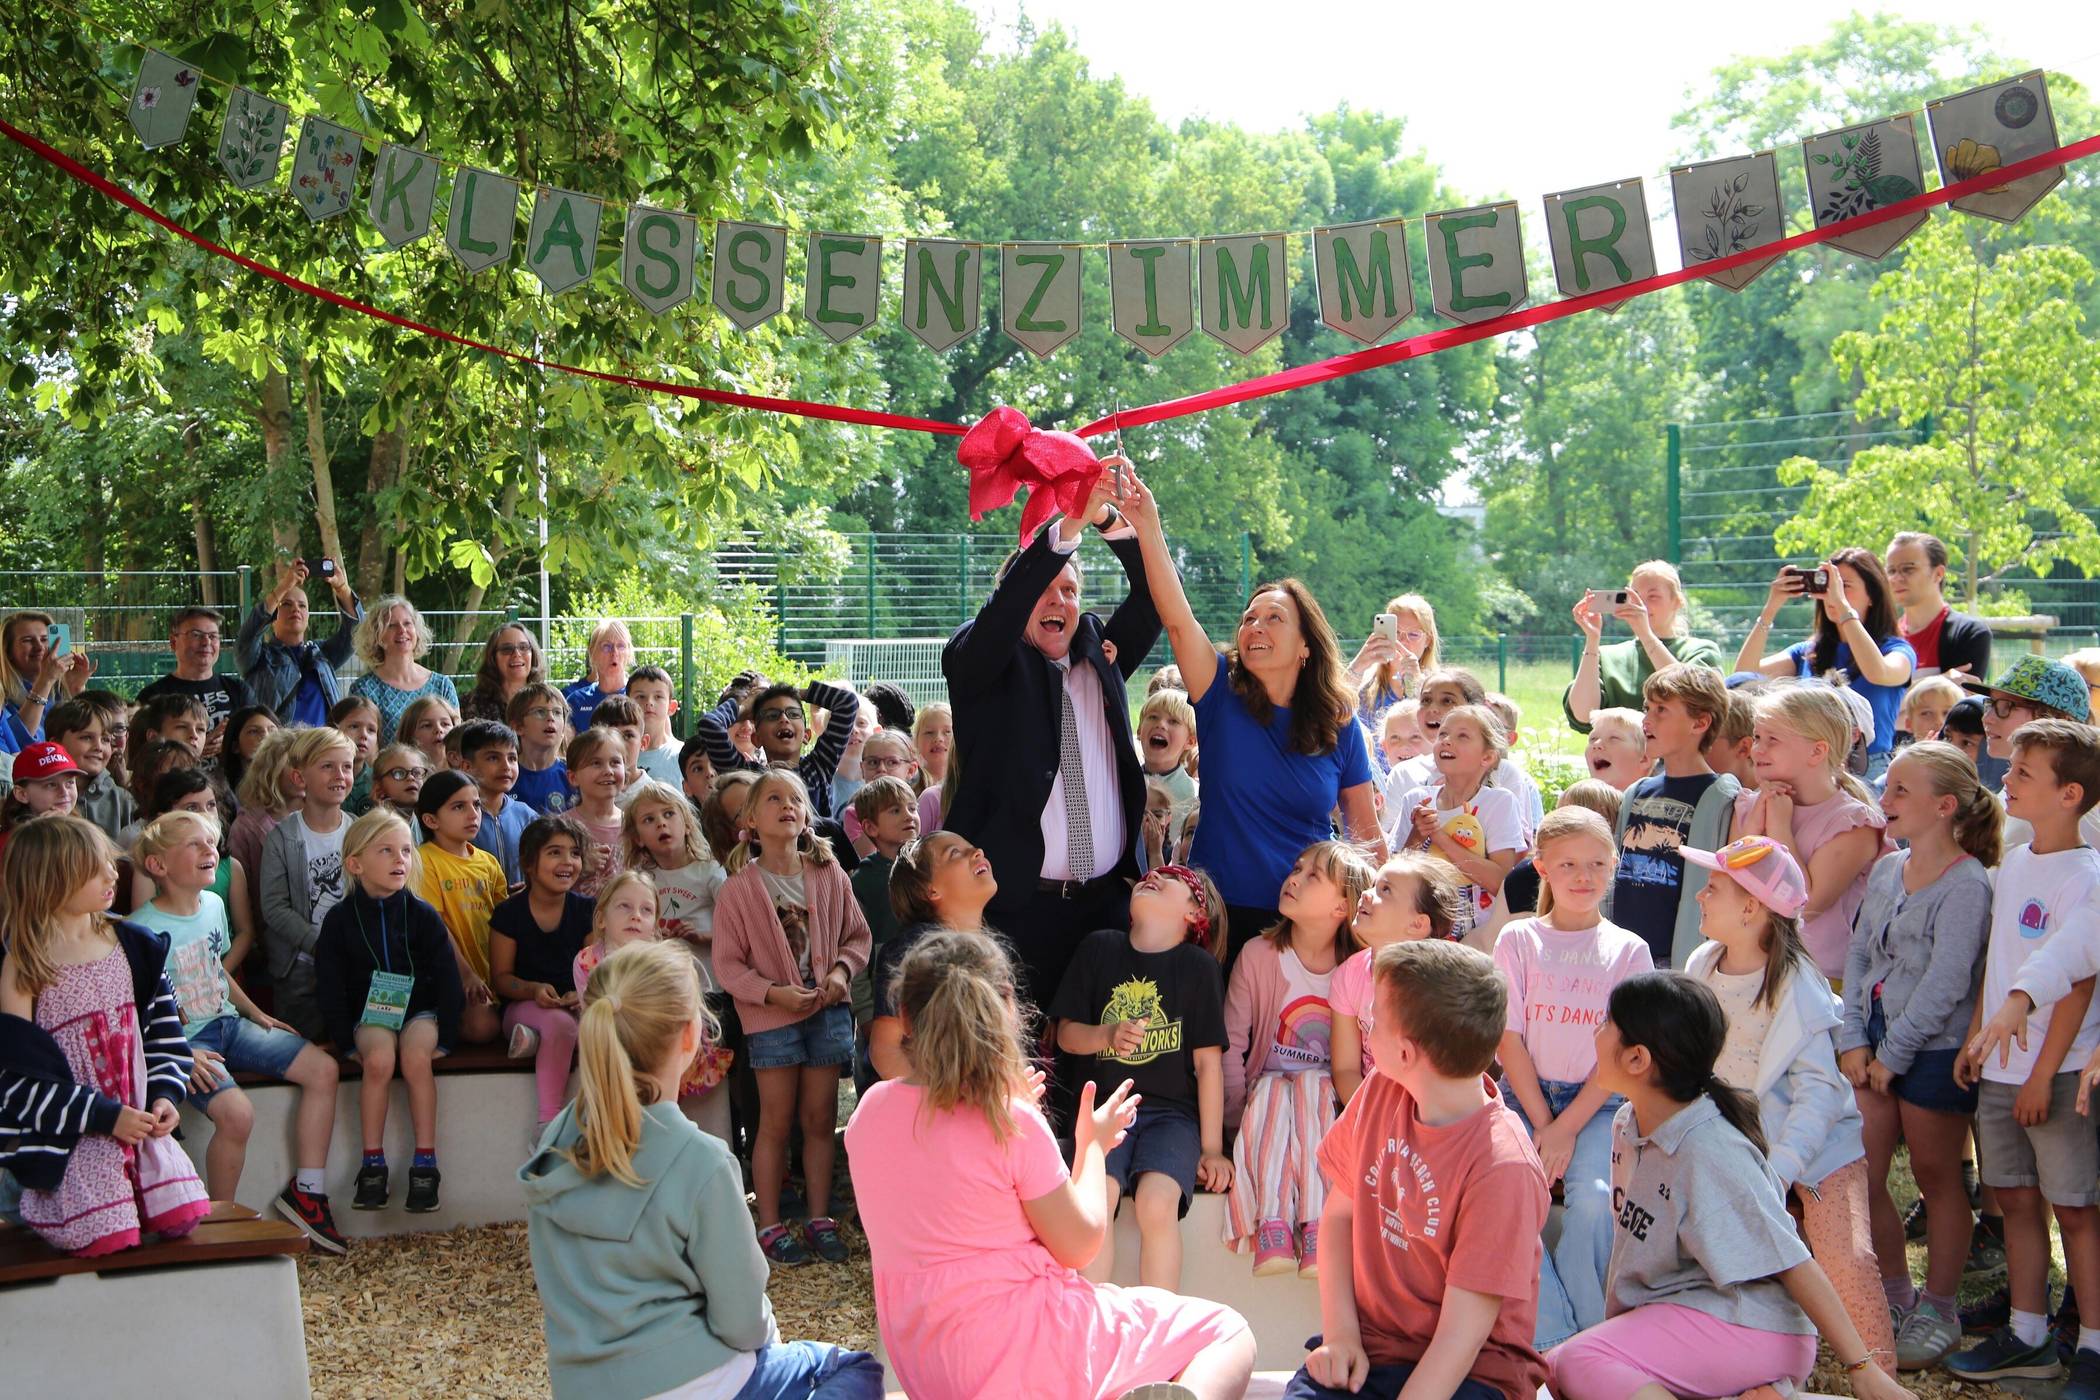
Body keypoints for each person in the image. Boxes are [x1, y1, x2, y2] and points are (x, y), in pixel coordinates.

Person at [846, 930, 1256, 1400]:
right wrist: (1092, 1146)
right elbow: (1079, 1246)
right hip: (1037, 1352)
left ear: (904, 1016)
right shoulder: (1009, 1121)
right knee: (1226, 1331)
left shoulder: (868, 1114)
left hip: (930, 1368)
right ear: (1007, 1011)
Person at [522, 940, 883, 1400]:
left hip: (581, 1386)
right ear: (691, 1037)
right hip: (694, 1382)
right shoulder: (700, 1160)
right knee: (854, 1370)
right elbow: (743, 1322)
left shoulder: (554, 1141)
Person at [1547, 973, 1916, 1400]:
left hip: (1753, 1327)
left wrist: (1862, 1367)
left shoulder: (1709, 1148)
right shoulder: (1628, 1125)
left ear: (1637, 1059)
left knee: (1576, 1362)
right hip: (1692, 1318)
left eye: (1607, 1023)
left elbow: (1791, 1260)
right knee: (1560, 1371)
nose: (1596, 1031)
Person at [1123, 477, 1382, 956]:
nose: (1255, 626)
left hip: (1304, 926)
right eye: (1249, 618)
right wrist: (1147, 526)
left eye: (1274, 618)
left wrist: (1385, 925)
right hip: (1218, 919)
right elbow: (1177, 619)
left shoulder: (1339, 725)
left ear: (1306, 646)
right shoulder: (1218, 692)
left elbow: (1366, 835)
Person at [942, 457, 1159, 1016]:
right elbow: (999, 620)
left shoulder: (1100, 656)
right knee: (1022, 1057)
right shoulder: (979, 663)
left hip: (1106, 907)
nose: (1057, 601)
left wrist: (1107, 519)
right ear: (1015, 599)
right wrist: (1066, 527)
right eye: (1042, 588)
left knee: (1105, 1050)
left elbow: (1157, 595)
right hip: (1018, 912)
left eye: (1069, 589)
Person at [1291, 938, 1549, 1400]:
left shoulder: (1503, 1167)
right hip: (1374, 1349)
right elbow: (1340, 1217)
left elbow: (1461, 1338)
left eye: (1374, 1020)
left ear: (1406, 1053)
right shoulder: (1380, 1089)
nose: (1367, 1029)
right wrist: (1341, 1336)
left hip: (1471, 1373)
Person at [1680, 835, 1896, 1375]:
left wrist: (1781, 1170)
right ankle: (1752, 1371)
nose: (1700, 896)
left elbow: (1817, 1093)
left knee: (1846, 1260)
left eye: (1714, 888)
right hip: (1738, 1149)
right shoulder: (1702, 965)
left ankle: (1878, 1375)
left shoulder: (1799, 986)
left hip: (1817, 1154)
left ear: (1751, 908)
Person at [1950, 717, 2100, 1389]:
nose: (2005, 779)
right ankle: (2029, 1333)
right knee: (2014, 1198)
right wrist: (1979, 1035)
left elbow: (2078, 980)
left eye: (2022, 773)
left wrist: (2041, 1075)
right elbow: (2002, 960)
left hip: (2057, 1073)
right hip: (2002, 1069)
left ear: (2070, 794)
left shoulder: (2086, 876)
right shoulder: (2014, 861)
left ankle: (2092, 1346)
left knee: (2075, 1209)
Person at [1838, 742, 1997, 1369]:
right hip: (1875, 1044)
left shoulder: (1967, 883)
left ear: (1944, 806)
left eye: (1901, 790)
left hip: (1934, 1050)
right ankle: (1896, 1294)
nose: (1886, 798)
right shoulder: (1887, 870)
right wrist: (1854, 1037)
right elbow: (1859, 956)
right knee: (1865, 1172)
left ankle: (1940, 1308)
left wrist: (1895, 1054)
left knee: (1936, 1177)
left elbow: (1947, 982)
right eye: (1889, 786)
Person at [129, 810, 346, 1252]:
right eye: (195, 844)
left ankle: (307, 1191)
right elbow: (134, 1012)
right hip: (187, 1043)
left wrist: (255, 1012)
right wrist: (179, 1054)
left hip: (228, 1022)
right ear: (157, 865)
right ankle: (218, 1221)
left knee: (323, 1069)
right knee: (237, 1115)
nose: (210, 850)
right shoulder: (141, 931)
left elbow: (215, 969)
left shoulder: (213, 905)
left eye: (212, 842)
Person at [0, 816, 210, 1256]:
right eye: (94, 869)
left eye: (109, 863)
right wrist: (103, 1116)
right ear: (51, 879)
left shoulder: (136, 944)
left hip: (140, 1132)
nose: (112, 874)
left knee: (182, 1221)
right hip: (68, 1140)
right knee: (109, 1239)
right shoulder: (23, 964)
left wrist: (165, 1096)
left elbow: (165, 1036)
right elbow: (17, 1080)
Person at [1493, 808, 1653, 1351]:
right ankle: (1552, 1338)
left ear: (1614, 865)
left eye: (1597, 864)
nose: (1584, 877)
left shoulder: (1629, 950)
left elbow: (1626, 1054)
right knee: (1508, 1198)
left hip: (1600, 1104)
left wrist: (1566, 1129)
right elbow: (1508, 1037)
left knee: (1594, 1200)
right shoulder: (1518, 939)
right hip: (1524, 1099)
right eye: (1567, 865)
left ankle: (1591, 1338)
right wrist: (1544, 1123)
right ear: (1542, 868)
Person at [711, 769, 870, 1266]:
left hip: (826, 1014)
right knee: (774, 1123)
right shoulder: (738, 890)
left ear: (806, 817)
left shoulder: (829, 874)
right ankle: (770, 1224)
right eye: (773, 799)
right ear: (750, 820)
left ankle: (820, 1218)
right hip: (771, 1022)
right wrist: (773, 993)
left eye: (795, 799)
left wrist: (841, 972)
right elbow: (728, 966)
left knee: (820, 1119)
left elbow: (857, 936)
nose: (787, 806)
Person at [1052, 864, 1231, 1291]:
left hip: (1172, 1117)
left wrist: (1211, 1149)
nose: (1155, 876)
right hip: (1103, 1112)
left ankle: (1156, 1319)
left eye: (1174, 878)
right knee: (1099, 1196)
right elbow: (1066, 1036)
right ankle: (1093, 1317)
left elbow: (1208, 1066)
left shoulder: (1199, 967)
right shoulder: (1099, 948)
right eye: (1154, 872)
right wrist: (1107, 1035)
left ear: (1195, 913)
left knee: (1156, 1203)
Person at [1222, 841, 1376, 1275]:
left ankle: (1316, 1225)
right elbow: (1231, 1045)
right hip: (1262, 1108)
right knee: (1274, 1087)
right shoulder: (1258, 955)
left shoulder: (1358, 968)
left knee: (1313, 1083)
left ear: (1342, 907)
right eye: (1296, 868)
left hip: (1329, 1109)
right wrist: (1233, 1123)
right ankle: (1272, 1224)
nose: (1294, 878)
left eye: (1313, 876)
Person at [315, 808, 464, 1214]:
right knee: (378, 1060)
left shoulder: (423, 915)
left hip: (420, 1011)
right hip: (371, 1014)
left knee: (416, 1058)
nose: (400, 859)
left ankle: (425, 1163)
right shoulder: (339, 920)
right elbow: (330, 984)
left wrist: (448, 1035)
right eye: (386, 851)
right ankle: (372, 1163)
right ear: (355, 864)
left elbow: (448, 977)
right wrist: (345, 1040)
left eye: (406, 851)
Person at [1734, 684, 1889, 980]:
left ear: (1817, 751)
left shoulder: (1854, 824)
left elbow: (1804, 905)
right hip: (1747, 969)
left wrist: (1779, 826)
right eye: (1757, 737)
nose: (1757, 749)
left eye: (1772, 739)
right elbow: (1732, 884)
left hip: (1816, 979)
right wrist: (1754, 825)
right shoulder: (1748, 805)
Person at [1736, 549, 1916, 780]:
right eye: (1828, 585)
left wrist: (1843, 608)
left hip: (1867, 770)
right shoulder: (1808, 652)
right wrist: (1771, 608)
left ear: (1872, 595)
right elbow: (1743, 676)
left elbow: (1878, 672)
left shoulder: (1896, 650)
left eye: (1844, 586)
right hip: (1809, 768)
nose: (1833, 594)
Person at [1605, 662, 1739, 970]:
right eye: (1647, 708)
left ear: (1700, 723)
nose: (1646, 720)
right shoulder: (1637, 792)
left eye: (1661, 710)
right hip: (1623, 954)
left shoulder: (1722, 798)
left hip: (1676, 962)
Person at [1330, 852, 1465, 1104]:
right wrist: (1372, 1118)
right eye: (1373, 885)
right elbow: (1345, 1070)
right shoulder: (1348, 975)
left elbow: (1446, 1080)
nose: (1366, 894)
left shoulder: (1441, 990)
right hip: (1368, 1107)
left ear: (1417, 925)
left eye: (1386, 890)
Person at [865, 831, 1000, 1082]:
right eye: (955, 853)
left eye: (971, 846)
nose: (977, 852)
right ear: (931, 890)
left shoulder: (992, 949)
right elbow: (885, 1049)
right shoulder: (913, 949)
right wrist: (934, 1102)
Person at [1386, 704, 1525, 942]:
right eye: (1443, 734)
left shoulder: (1499, 803)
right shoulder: (1416, 799)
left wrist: (1440, 837)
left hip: (1477, 939)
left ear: (1487, 757)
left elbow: (1499, 882)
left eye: (1462, 736)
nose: (1447, 741)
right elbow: (1393, 874)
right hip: (1419, 934)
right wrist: (1417, 836)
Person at [491, 815, 593, 1135]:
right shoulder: (508, 913)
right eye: (554, 852)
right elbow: (501, 978)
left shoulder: (586, 910)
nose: (567, 861)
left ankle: (536, 1040)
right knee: (561, 1026)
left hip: (574, 1004)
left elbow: (595, 970)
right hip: (524, 1005)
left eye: (574, 853)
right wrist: (534, 990)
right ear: (529, 863)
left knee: (599, 1022)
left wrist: (582, 994)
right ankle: (547, 1126)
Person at [258, 725, 360, 1041]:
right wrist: (319, 945)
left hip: (355, 960)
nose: (340, 775)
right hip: (300, 966)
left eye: (346, 767)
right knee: (308, 1043)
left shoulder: (361, 832)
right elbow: (274, 907)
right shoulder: (281, 838)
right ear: (300, 778)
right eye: (327, 766)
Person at [1564, 561, 1724, 732]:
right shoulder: (1606, 656)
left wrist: (1646, 635)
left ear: (1677, 602)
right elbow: (1584, 715)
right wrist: (1592, 639)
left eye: (1652, 596)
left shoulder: (1702, 651)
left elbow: (1693, 699)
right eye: (1634, 596)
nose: (1641, 604)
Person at [1968, 657, 2100, 850]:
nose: (1986, 718)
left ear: (2057, 719)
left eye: (2006, 707)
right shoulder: (2016, 790)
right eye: (1990, 704)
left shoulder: (2071, 815)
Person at [698, 678, 861, 822]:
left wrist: (793, 692)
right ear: (757, 739)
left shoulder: (818, 768)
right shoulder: (746, 776)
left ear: (806, 735)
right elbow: (710, 725)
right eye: (772, 716)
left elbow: (847, 703)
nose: (784, 719)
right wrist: (746, 706)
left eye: (793, 714)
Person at [847, 775, 919, 1086]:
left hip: (927, 1001)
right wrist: (865, 1014)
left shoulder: (931, 867)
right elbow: (856, 952)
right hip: (883, 1005)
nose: (908, 816)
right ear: (870, 827)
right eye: (895, 810)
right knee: (879, 1080)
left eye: (912, 808)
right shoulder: (862, 882)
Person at [238, 558, 363, 725]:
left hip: (321, 741)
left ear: (308, 617)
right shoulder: (259, 657)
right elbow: (248, 634)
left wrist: (342, 588)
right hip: (278, 741)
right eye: (286, 604)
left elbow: (356, 632)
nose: (295, 609)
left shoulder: (322, 655)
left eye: (302, 606)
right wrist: (284, 586)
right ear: (272, 618)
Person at [623, 777, 724, 985]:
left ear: (687, 824)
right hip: (663, 985)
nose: (661, 823)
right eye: (648, 820)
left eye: (669, 814)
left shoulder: (709, 871)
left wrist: (702, 937)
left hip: (711, 985)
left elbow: (738, 930)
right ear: (638, 838)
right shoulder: (641, 880)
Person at [135, 607, 254, 761]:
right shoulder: (153, 696)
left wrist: (232, 742)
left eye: (213, 636)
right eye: (196, 635)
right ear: (173, 642)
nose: (206, 642)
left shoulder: (239, 690)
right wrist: (195, 749)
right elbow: (141, 756)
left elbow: (259, 742)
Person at [1347, 593, 1440, 778]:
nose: (1402, 641)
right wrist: (1358, 665)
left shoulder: (1438, 685)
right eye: (1395, 633)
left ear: (1428, 640)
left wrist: (1415, 683)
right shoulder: (1366, 683)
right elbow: (1330, 708)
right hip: (1370, 783)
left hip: (1422, 782)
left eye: (1413, 635)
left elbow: (1437, 732)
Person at [349, 595, 461, 745]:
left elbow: (458, 740)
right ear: (377, 635)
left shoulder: (443, 685)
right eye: (392, 625)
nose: (402, 630)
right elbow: (363, 746)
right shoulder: (364, 689)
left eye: (407, 623)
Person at [1886, 531, 1993, 682]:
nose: (1896, 578)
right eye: (1891, 571)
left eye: (1908, 569)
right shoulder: (1883, 636)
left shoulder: (1969, 633)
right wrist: (1940, 681)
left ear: (1938, 574)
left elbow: (1960, 695)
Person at [457, 719, 535, 884]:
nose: (506, 766)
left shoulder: (527, 816)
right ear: (467, 767)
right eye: (493, 758)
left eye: (512, 758)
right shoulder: (455, 817)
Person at [47, 696, 134, 842]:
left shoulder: (123, 801)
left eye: (105, 739)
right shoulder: (38, 795)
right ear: (56, 744)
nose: (98, 747)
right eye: (86, 737)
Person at [565, 727, 628, 896]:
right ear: (573, 777)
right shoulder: (561, 827)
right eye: (596, 763)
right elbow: (547, 878)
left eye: (615, 762)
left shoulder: (635, 824)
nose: (608, 771)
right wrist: (580, 864)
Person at [508, 681, 575, 815]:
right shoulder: (505, 774)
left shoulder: (573, 775)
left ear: (563, 729)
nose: (550, 717)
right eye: (540, 712)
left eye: (557, 712)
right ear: (518, 727)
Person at [461, 621, 545, 725]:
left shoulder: (547, 702)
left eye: (523, 647)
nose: (517, 654)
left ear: (533, 654)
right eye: (507, 649)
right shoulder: (471, 704)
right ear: (493, 658)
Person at [627, 664, 684, 785]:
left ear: (672, 707)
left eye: (658, 697)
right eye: (641, 696)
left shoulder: (683, 755)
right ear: (627, 704)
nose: (649, 702)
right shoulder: (618, 755)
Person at [1580, 707, 1648, 793]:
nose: (1596, 744)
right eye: (1593, 738)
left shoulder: (1657, 799)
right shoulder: (1578, 798)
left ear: (1643, 758)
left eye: (1614, 738)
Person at [220, 704, 279, 794]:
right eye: (254, 731)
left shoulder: (291, 784)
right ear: (235, 746)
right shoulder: (220, 790)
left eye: (272, 730)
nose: (266, 736)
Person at [398, 694, 460, 774]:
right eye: (427, 725)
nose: (439, 729)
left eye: (445, 724)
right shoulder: (405, 776)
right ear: (409, 734)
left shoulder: (468, 771)